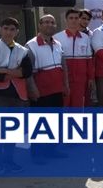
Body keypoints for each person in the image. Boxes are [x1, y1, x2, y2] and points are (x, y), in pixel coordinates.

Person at [0, 17, 33, 179]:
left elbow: (27, 72)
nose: (9, 32)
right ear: (0, 29)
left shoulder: (22, 50)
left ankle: (9, 161)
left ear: (17, 32)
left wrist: (4, 71)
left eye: (12, 29)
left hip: (17, 95)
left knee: (13, 131)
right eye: (6, 28)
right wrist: (14, 73)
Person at [26, 14, 70, 163]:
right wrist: (32, 90)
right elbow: (27, 72)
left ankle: (51, 149)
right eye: (46, 22)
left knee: (55, 122)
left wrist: (66, 85)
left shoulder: (57, 44)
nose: (50, 25)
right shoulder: (31, 45)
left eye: (52, 22)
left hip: (56, 90)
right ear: (40, 25)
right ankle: (37, 154)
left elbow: (63, 66)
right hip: (40, 92)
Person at [54, 9, 94, 107]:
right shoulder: (57, 37)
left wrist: (90, 78)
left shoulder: (85, 37)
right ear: (66, 20)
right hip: (64, 79)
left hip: (80, 80)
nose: (74, 20)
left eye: (76, 18)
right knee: (64, 106)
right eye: (71, 18)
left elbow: (89, 60)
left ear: (79, 20)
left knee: (78, 106)